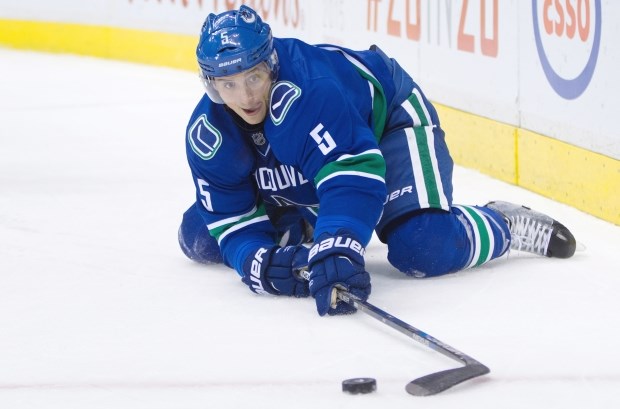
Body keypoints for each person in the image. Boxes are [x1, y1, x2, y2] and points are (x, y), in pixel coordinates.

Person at [178, 5, 576, 316]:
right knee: (200, 235)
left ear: (272, 65)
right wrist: (261, 266)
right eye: (228, 84)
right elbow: (233, 223)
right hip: (313, 158)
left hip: (386, 127)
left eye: (253, 78)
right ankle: (307, 222)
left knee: (424, 244)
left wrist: (338, 243)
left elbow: (352, 174)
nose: (245, 97)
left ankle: (503, 222)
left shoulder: (310, 91)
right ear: (210, 84)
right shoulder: (208, 134)